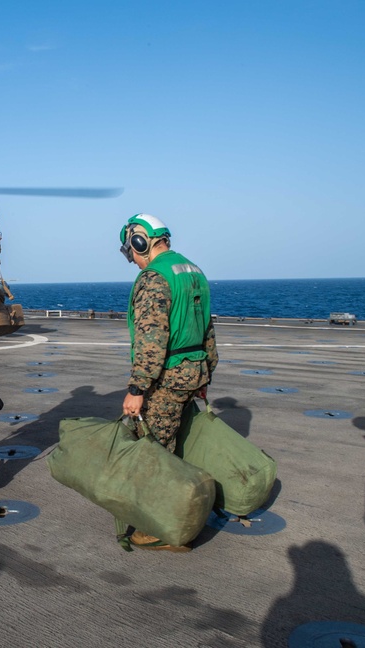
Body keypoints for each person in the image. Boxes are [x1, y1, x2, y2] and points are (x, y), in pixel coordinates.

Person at [119, 213, 218, 550]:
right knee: (177, 442)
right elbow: (207, 330)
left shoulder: (154, 278)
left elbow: (152, 339)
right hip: (195, 369)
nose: (131, 258)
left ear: (139, 242)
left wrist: (137, 389)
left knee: (156, 451)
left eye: (130, 250)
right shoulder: (194, 271)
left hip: (166, 377)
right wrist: (206, 374)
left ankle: (161, 527)